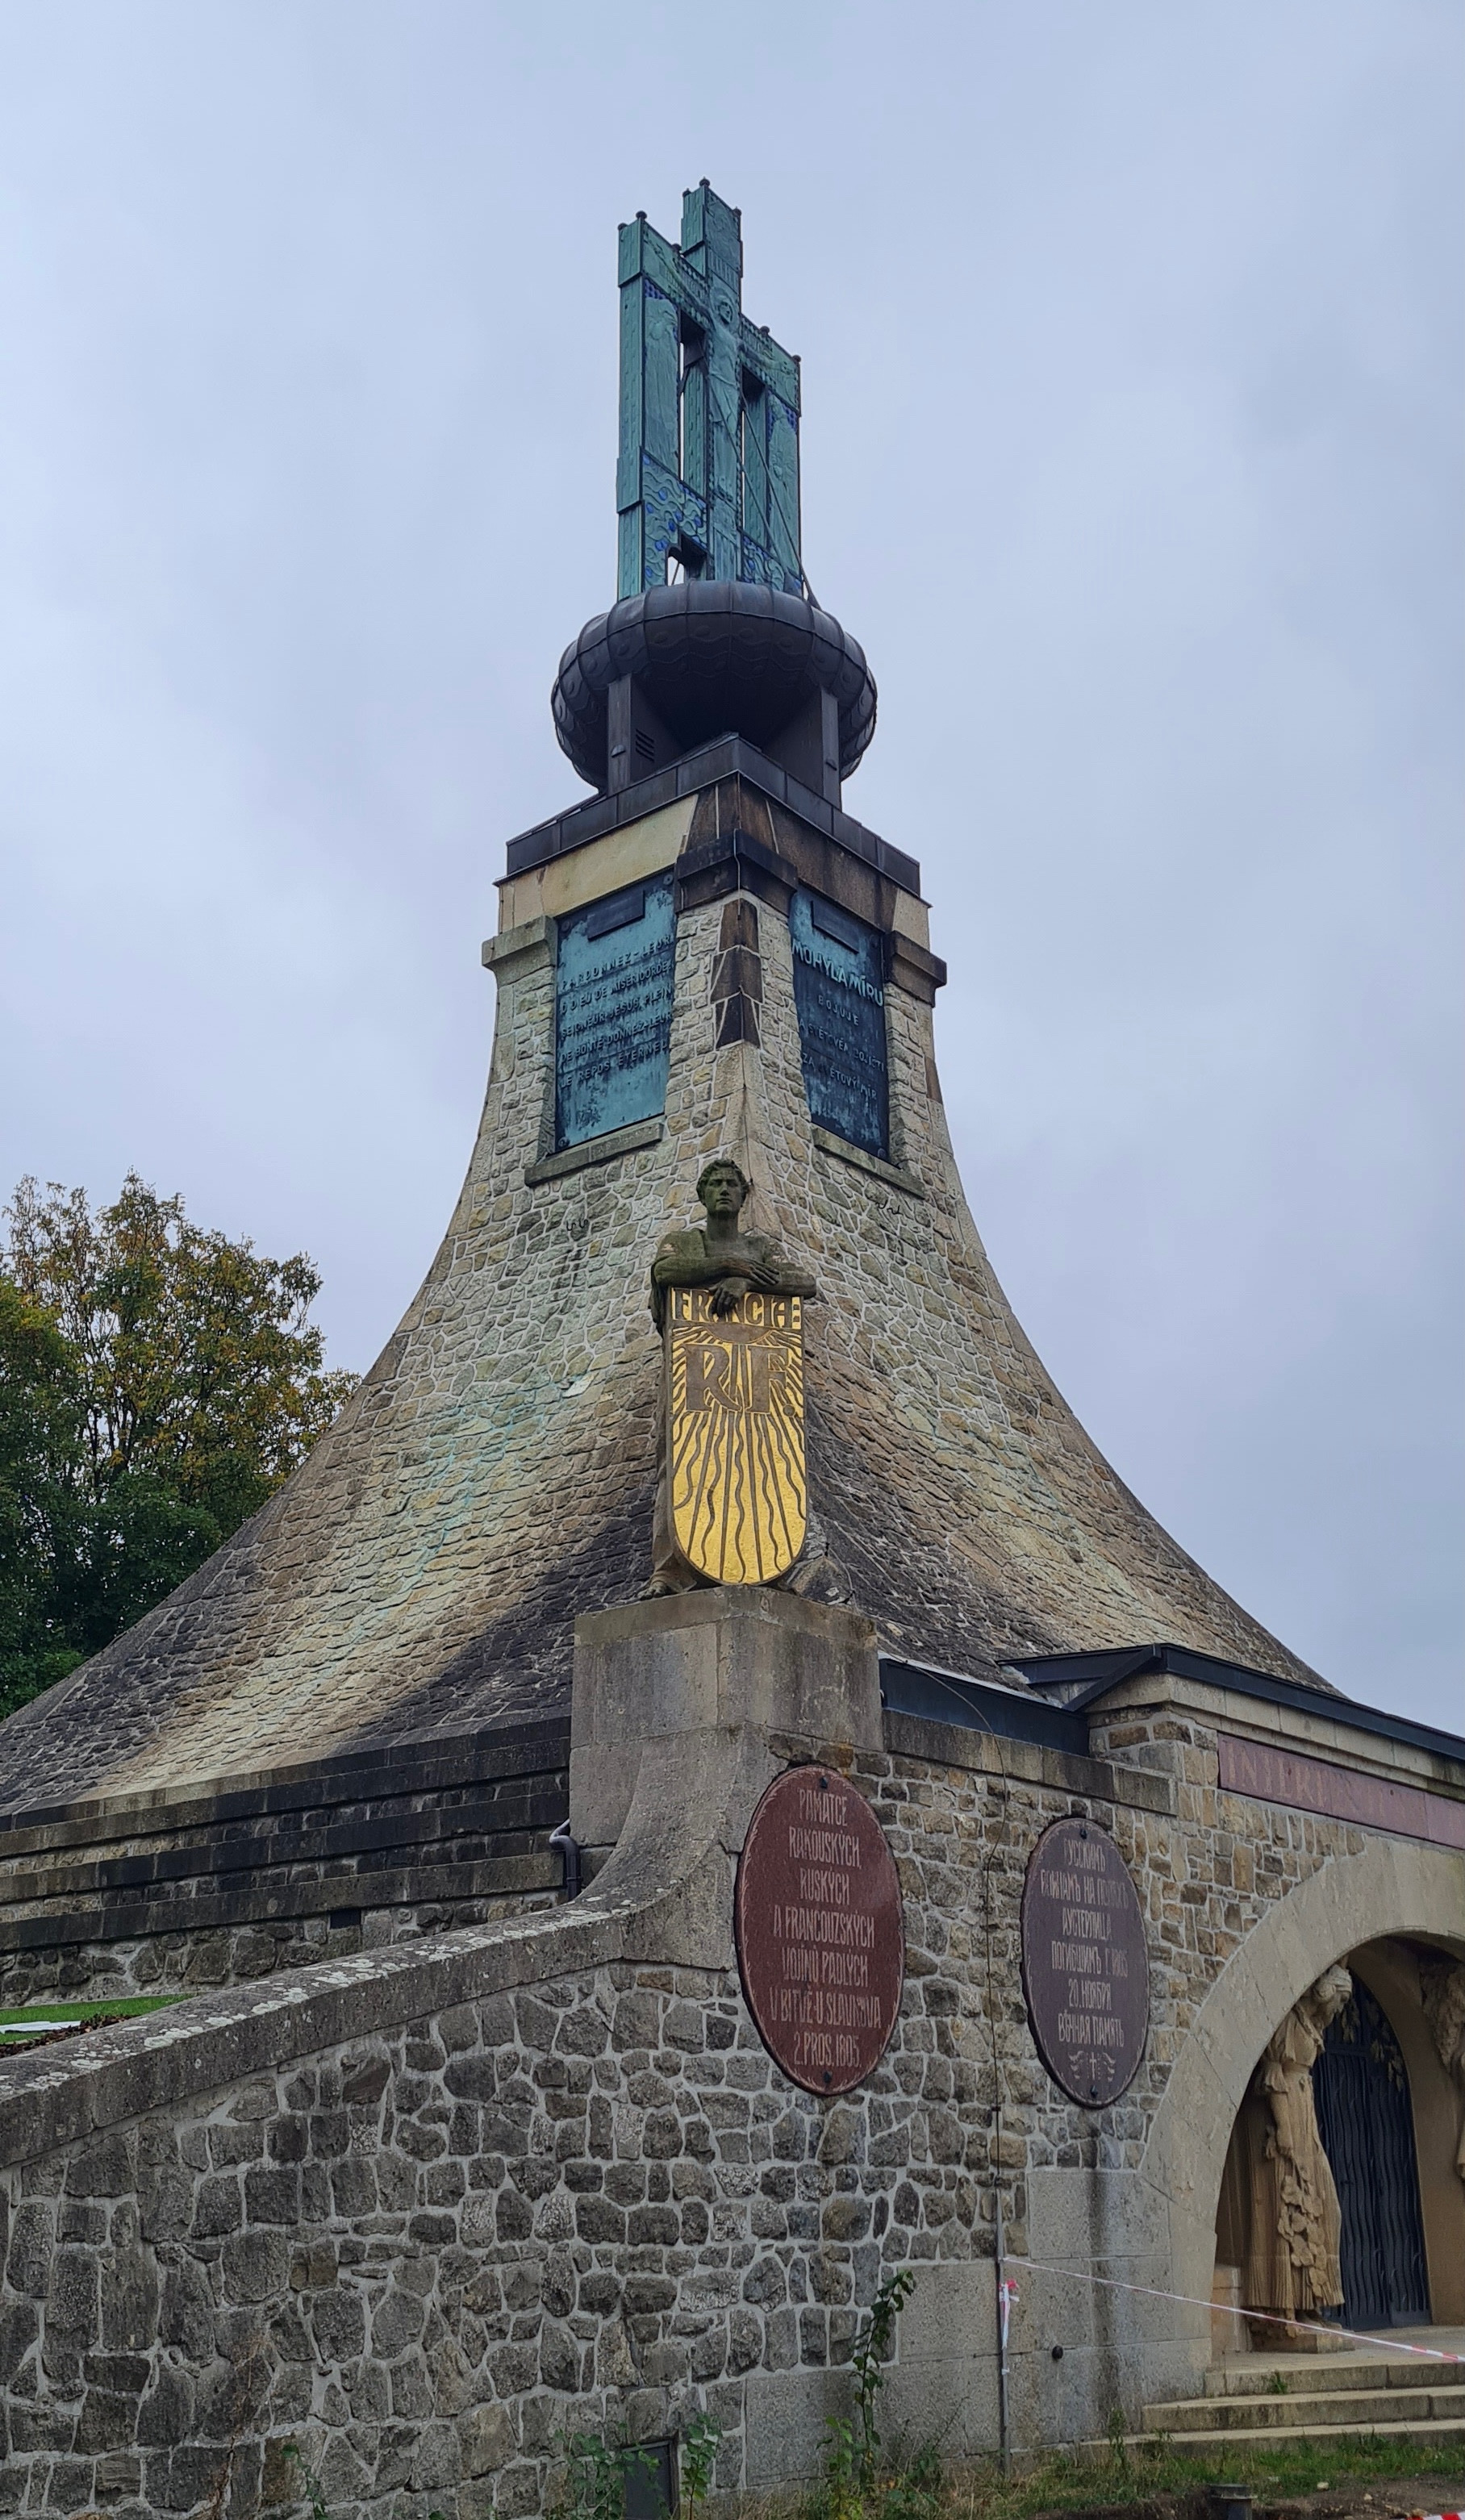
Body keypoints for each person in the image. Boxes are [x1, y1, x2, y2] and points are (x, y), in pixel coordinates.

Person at [644, 1160, 816, 1596]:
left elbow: (803, 1283)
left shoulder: (762, 1248)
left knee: (761, 1461)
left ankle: (766, 1562)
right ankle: (669, 1572)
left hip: (759, 1377)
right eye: (715, 1184)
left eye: (731, 1185)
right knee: (679, 1463)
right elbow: (667, 1273)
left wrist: (744, 1284)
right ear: (702, 1195)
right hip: (692, 1374)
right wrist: (735, 1268)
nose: (723, 1190)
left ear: (743, 1196)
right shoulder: (683, 1241)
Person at [1242, 1966, 1353, 2343]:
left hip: (1306, 2114)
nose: (1339, 2009)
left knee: (1326, 2208)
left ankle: (1311, 2303)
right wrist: (1285, 2128)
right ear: (1325, 1992)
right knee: (1287, 2210)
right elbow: (1273, 2074)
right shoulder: (1287, 2022)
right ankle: (1282, 2309)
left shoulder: (1310, 2024)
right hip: (1286, 2117)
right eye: (1339, 1999)